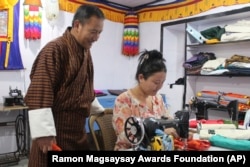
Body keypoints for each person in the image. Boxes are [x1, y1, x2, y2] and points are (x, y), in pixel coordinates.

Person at [24, 4, 105, 167]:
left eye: (99, 33)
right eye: (93, 31)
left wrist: (101, 111)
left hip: (78, 132)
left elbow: (86, 87)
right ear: (77, 25)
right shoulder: (55, 49)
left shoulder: (85, 51)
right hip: (55, 130)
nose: (96, 37)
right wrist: (44, 133)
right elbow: (41, 89)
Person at [112, 49, 180, 151]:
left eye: (162, 82)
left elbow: (167, 121)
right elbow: (124, 137)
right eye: (156, 82)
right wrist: (160, 132)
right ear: (141, 77)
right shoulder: (124, 100)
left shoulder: (158, 99)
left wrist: (179, 128)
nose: (159, 87)